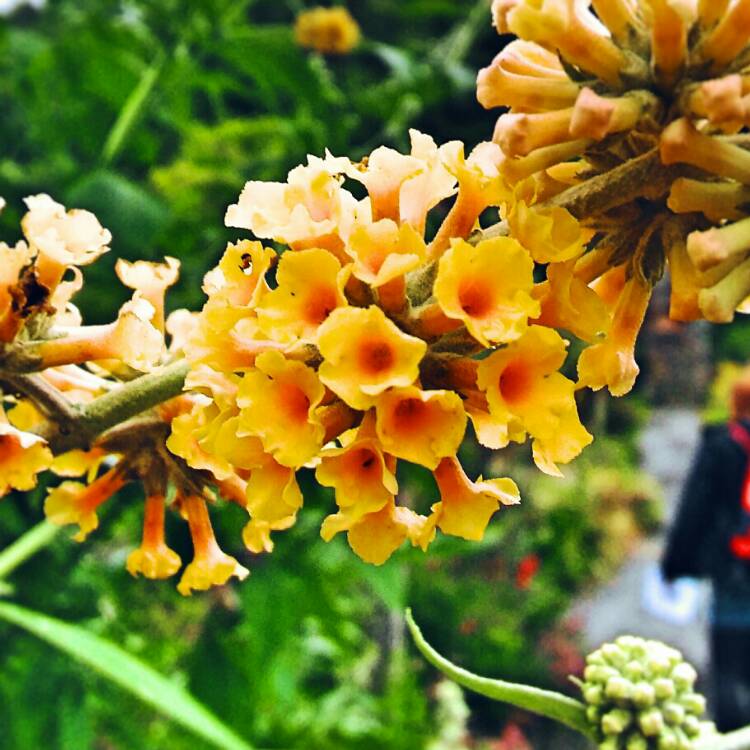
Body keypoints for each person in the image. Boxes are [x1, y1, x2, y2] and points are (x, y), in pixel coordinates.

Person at [662, 369, 750, 731]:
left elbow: (695, 506)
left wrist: (675, 563)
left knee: (727, 664)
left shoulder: (722, 444)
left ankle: (732, 735)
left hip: (732, 566)